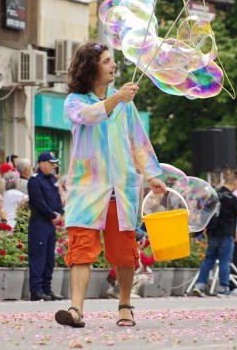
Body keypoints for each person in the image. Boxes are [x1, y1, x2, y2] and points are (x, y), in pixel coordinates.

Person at [54, 42, 166, 329]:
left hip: (121, 187)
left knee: (124, 253)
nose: (113, 65)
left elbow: (137, 141)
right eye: (106, 61)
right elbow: (90, 116)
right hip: (87, 187)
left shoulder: (125, 104)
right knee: (80, 249)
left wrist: (151, 174)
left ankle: (125, 305)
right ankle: (75, 310)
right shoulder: (75, 101)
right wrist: (117, 98)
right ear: (91, 67)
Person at [191, 171, 237, 297]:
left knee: (208, 260)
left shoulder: (215, 194)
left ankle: (199, 285)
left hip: (213, 232)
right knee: (225, 261)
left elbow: (206, 212)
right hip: (226, 233)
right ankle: (223, 288)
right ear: (236, 181)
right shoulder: (231, 197)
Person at [27, 151, 65, 302]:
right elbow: (38, 202)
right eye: (51, 163)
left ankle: (46, 289)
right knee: (38, 256)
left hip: (50, 224)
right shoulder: (34, 180)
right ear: (42, 164)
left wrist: (60, 212)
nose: (54, 166)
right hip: (40, 223)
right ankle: (36, 290)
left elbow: (57, 198)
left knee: (49, 257)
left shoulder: (51, 179)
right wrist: (52, 215)